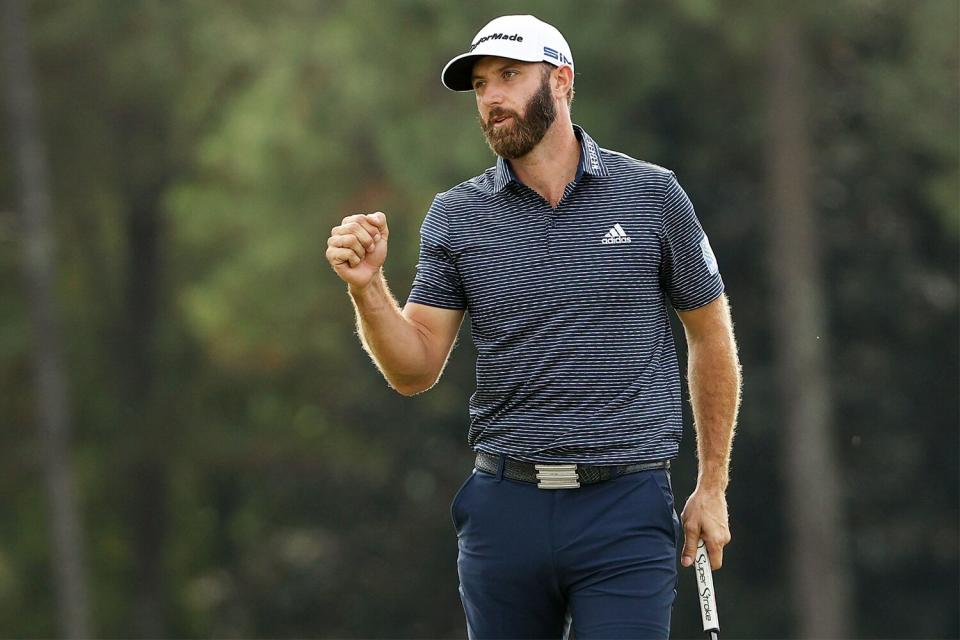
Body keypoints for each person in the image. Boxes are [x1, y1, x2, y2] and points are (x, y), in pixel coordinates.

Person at [326, 14, 741, 639]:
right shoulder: (457, 215)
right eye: (481, 85)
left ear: (562, 81)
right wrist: (368, 289)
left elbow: (710, 336)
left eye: (509, 77)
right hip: (504, 510)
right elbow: (413, 370)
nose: (491, 97)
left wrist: (712, 487)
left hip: (624, 508)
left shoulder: (652, 196)